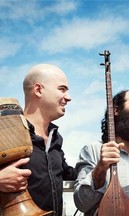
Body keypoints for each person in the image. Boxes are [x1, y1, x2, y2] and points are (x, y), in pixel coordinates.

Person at [19, 63, 77, 215]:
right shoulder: (6, 131)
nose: (68, 97)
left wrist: (101, 165)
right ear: (38, 90)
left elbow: (68, 174)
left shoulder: (56, 138)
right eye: (62, 89)